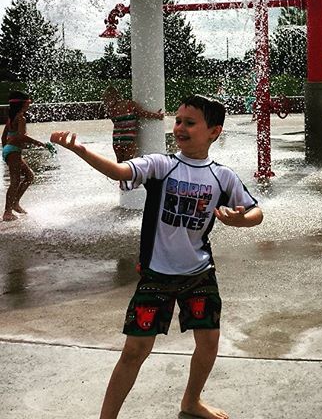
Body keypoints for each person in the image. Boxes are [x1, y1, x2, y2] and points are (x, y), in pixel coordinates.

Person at [50, 94, 263, 419]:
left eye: (190, 123)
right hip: (157, 276)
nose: (179, 127)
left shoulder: (223, 176)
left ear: (214, 131)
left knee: (208, 342)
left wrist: (241, 219)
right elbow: (120, 171)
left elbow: (256, 212)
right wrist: (82, 151)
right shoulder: (162, 165)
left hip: (199, 272)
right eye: (178, 120)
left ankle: (191, 401)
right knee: (135, 350)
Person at [2, 90, 54, 221]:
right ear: (23, 104)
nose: (29, 105)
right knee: (15, 181)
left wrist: (5, 151)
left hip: (10, 150)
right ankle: (7, 212)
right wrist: (40, 143)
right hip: (13, 151)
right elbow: (21, 136)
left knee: (30, 176)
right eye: (28, 102)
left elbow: (3, 136)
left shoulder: (12, 118)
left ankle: (15, 203)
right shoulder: (21, 118)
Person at [103, 86, 164, 162]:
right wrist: (157, 116)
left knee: (119, 163)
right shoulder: (130, 104)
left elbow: (116, 122)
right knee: (129, 163)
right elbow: (142, 113)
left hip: (117, 139)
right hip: (129, 137)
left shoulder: (111, 110)